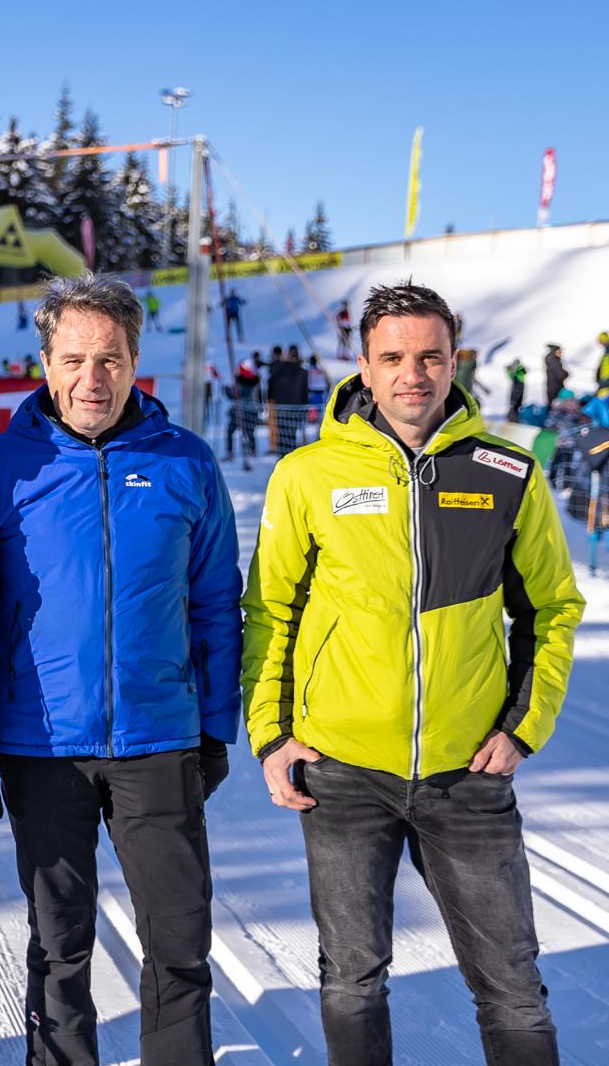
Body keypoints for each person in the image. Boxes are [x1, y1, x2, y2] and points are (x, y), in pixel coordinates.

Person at [243, 281, 584, 1066]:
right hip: (343, 768)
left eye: (431, 355)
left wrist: (523, 725)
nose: (413, 374)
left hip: (466, 771)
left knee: (511, 986)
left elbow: (553, 609)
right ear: (363, 366)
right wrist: (271, 736)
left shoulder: (505, 469)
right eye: (392, 357)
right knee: (351, 981)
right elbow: (270, 615)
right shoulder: (308, 475)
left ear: (454, 359)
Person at [0, 275, 244, 1065]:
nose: (95, 378)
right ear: (46, 363)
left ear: (135, 362)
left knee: (180, 937)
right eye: (76, 358)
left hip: (159, 739)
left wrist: (214, 728)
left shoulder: (184, 462)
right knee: (59, 943)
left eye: (112, 358)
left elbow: (219, 602)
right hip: (40, 744)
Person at [544, 342, 568, 408]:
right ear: (555, 352)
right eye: (559, 352)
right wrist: (566, 373)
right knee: (556, 407)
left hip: (551, 388)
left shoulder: (550, 361)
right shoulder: (555, 362)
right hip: (556, 389)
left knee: (552, 405)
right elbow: (561, 376)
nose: (561, 353)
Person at [506, 356, 528, 420]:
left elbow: (524, 372)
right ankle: (512, 413)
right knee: (514, 399)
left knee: (518, 399)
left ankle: (516, 413)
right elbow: (511, 376)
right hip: (516, 383)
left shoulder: (520, 368)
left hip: (520, 383)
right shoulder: (512, 369)